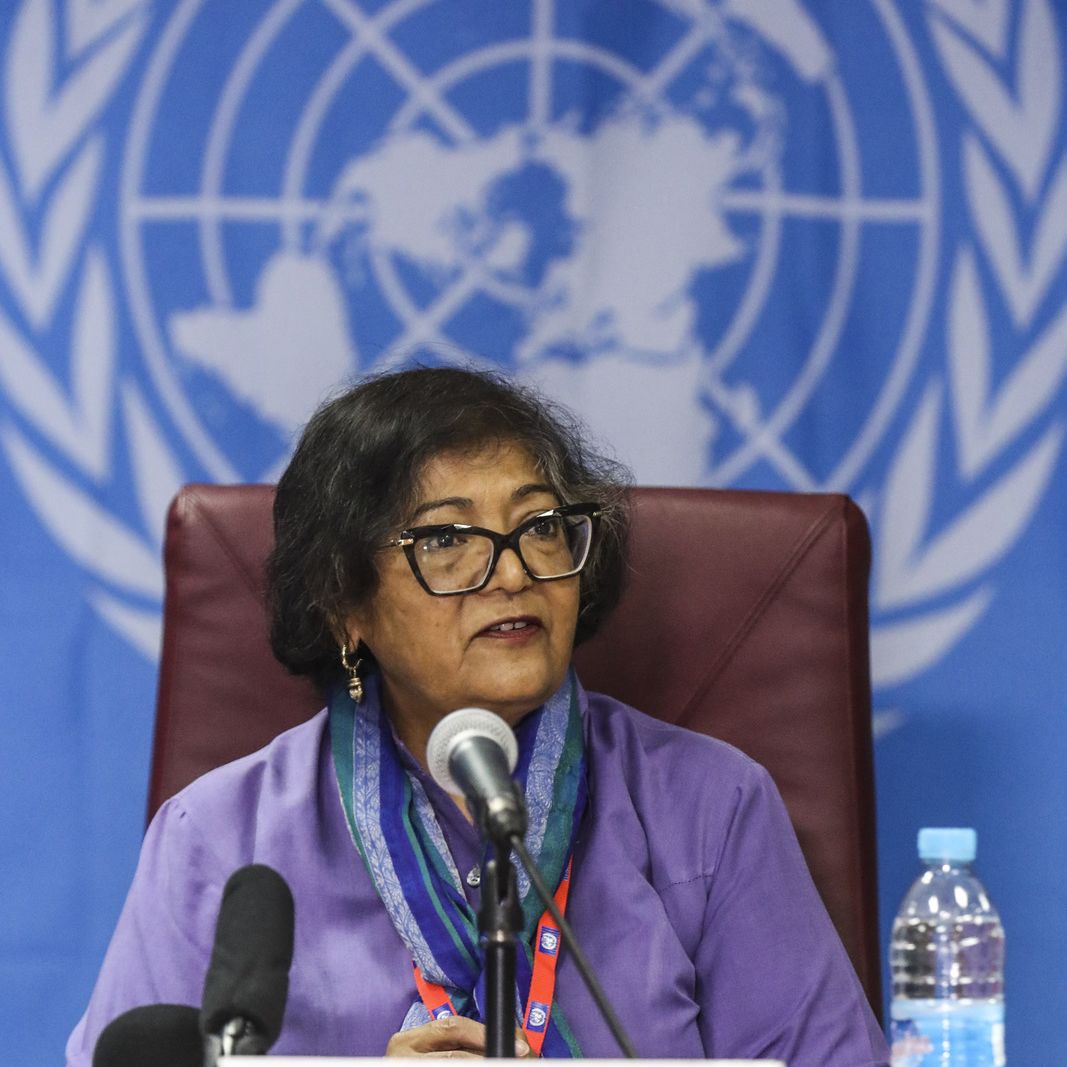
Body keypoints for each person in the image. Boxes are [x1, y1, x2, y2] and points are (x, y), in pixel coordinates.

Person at [67, 367, 890, 1064]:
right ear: (343, 601)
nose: (513, 572)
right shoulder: (218, 835)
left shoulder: (711, 806)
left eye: (540, 526)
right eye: (446, 539)